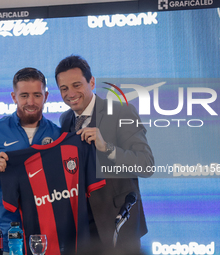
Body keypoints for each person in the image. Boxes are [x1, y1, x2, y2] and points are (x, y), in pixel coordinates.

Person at [55, 55, 154, 254]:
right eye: (64, 88)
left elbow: (146, 164)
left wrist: (106, 147)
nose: (70, 93)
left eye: (76, 85)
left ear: (91, 82)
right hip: (80, 227)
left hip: (117, 222)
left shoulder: (121, 112)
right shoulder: (65, 119)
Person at [0, 67, 61, 254]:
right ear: (13, 96)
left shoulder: (58, 134)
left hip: (43, 236)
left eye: (37, 95)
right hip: (0, 235)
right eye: (24, 95)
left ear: (46, 96)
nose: (31, 102)